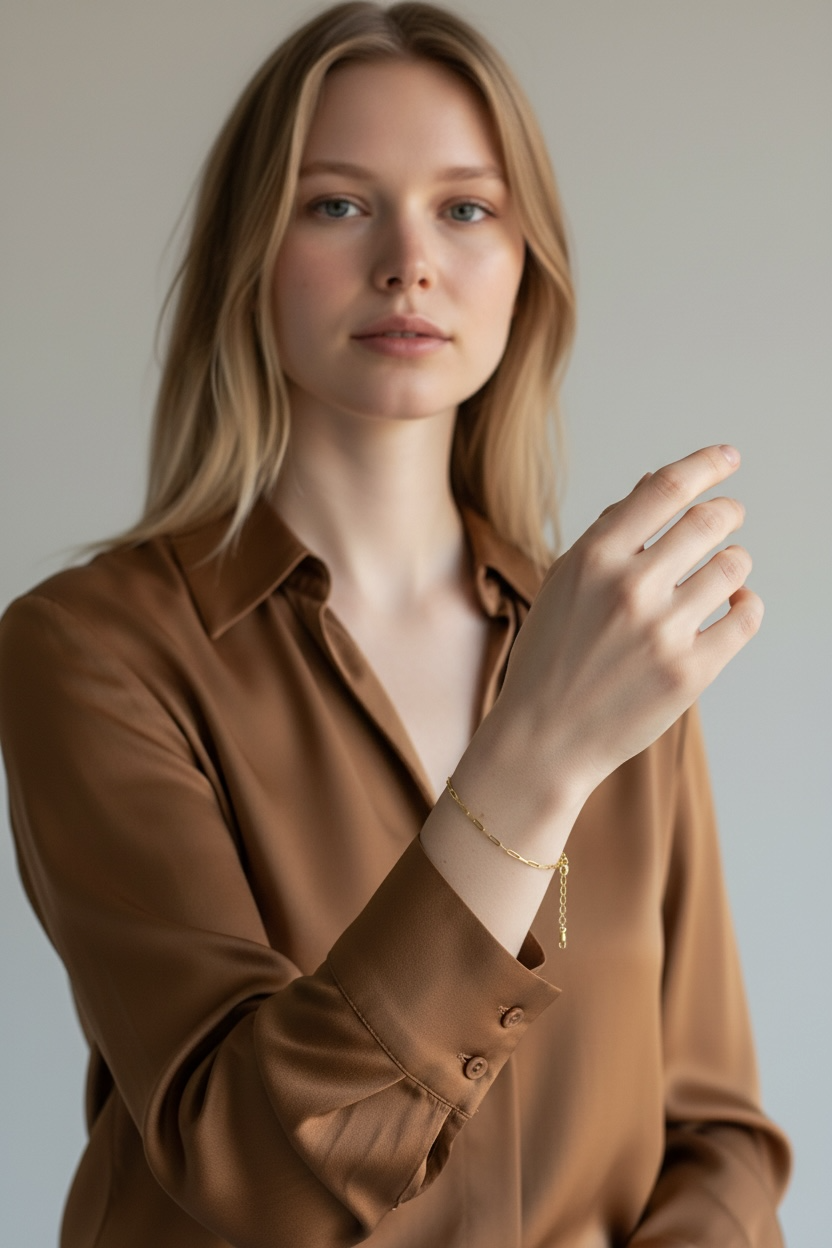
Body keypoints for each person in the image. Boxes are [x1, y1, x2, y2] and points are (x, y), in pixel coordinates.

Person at [0, 3, 791, 1245]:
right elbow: (248, 1160)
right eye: (336, 203)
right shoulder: (89, 651)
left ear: (527, 258)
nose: (407, 262)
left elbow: (716, 1137)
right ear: (248, 250)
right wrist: (532, 766)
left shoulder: (610, 645)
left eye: (465, 208)